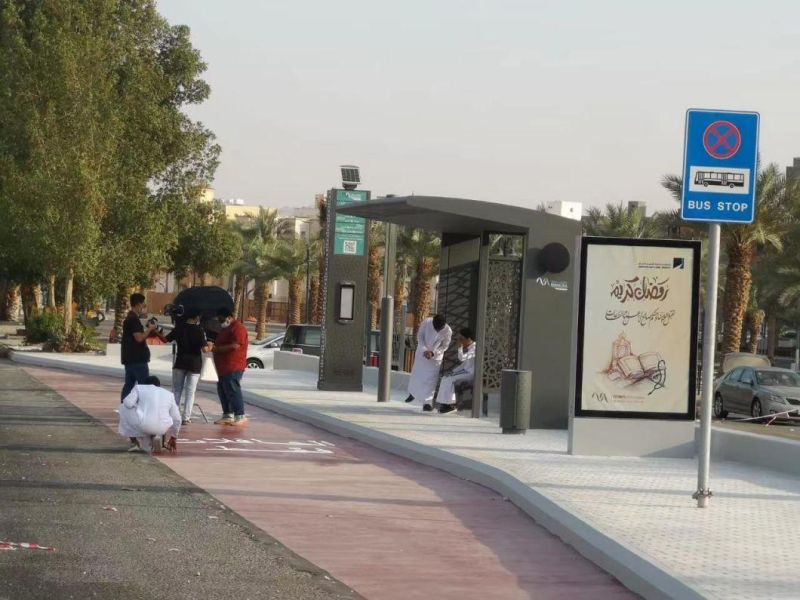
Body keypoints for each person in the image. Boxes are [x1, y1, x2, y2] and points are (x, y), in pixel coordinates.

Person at [165, 311, 212, 425]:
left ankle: (174, 415)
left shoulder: (179, 328)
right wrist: (211, 345)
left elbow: (166, 339)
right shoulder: (199, 330)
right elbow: (205, 350)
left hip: (180, 362)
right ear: (196, 317)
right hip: (194, 364)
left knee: (176, 390)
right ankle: (186, 417)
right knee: (190, 392)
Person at [118, 376, 181, 454]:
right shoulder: (169, 394)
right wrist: (174, 437)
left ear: (145, 384)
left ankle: (134, 443)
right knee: (147, 445)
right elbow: (177, 418)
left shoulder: (139, 388)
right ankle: (155, 436)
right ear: (159, 385)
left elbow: (128, 403)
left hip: (143, 425)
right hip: (162, 428)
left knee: (123, 407)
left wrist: (137, 404)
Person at [120, 293, 164, 402]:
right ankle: (144, 408)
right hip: (138, 360)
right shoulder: (133, 319)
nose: (144, 308)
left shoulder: (129, 319)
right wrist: (150, 329)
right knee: (144, 386)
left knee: (129, 385)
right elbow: (139, 338)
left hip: (129, 359)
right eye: (143, 305)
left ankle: (124, 407)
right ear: (139, 304)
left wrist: (149, 331)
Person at [405, 314, 452, 412]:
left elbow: (444, 346)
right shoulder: (426, 322)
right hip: (422, 353)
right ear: (433, 322)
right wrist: (425, 350)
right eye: (436, 328)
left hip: (435, 358)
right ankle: (412, 393)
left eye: (439, 329)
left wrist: (433, 353)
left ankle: (427, 403)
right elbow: (420, 337)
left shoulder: (448, 331)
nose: (437, 331)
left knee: (431, 380)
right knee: (417, 374)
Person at [212, 307, 249, 425]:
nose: (220, 321)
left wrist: (216, 349)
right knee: (223, 390)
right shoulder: (225, 329)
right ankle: (227, 414)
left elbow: (235, 345)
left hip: (233, 365)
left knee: (233, 390)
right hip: (222, 367)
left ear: (229, 317)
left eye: (221, 319)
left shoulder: (238, 328)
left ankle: (240, 415)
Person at [435, 328, 476, 415]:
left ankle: (450, 404)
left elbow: (462, 358)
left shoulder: (475, 348)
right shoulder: (470, 347)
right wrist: (453, 371)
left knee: (449, 380)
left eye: (462, 339)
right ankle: (445, 403)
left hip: (470, 374)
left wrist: (460, 348)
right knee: (445, 378)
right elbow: (464, 364)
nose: (460, 341)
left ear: (468, 339)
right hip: (466, 371)